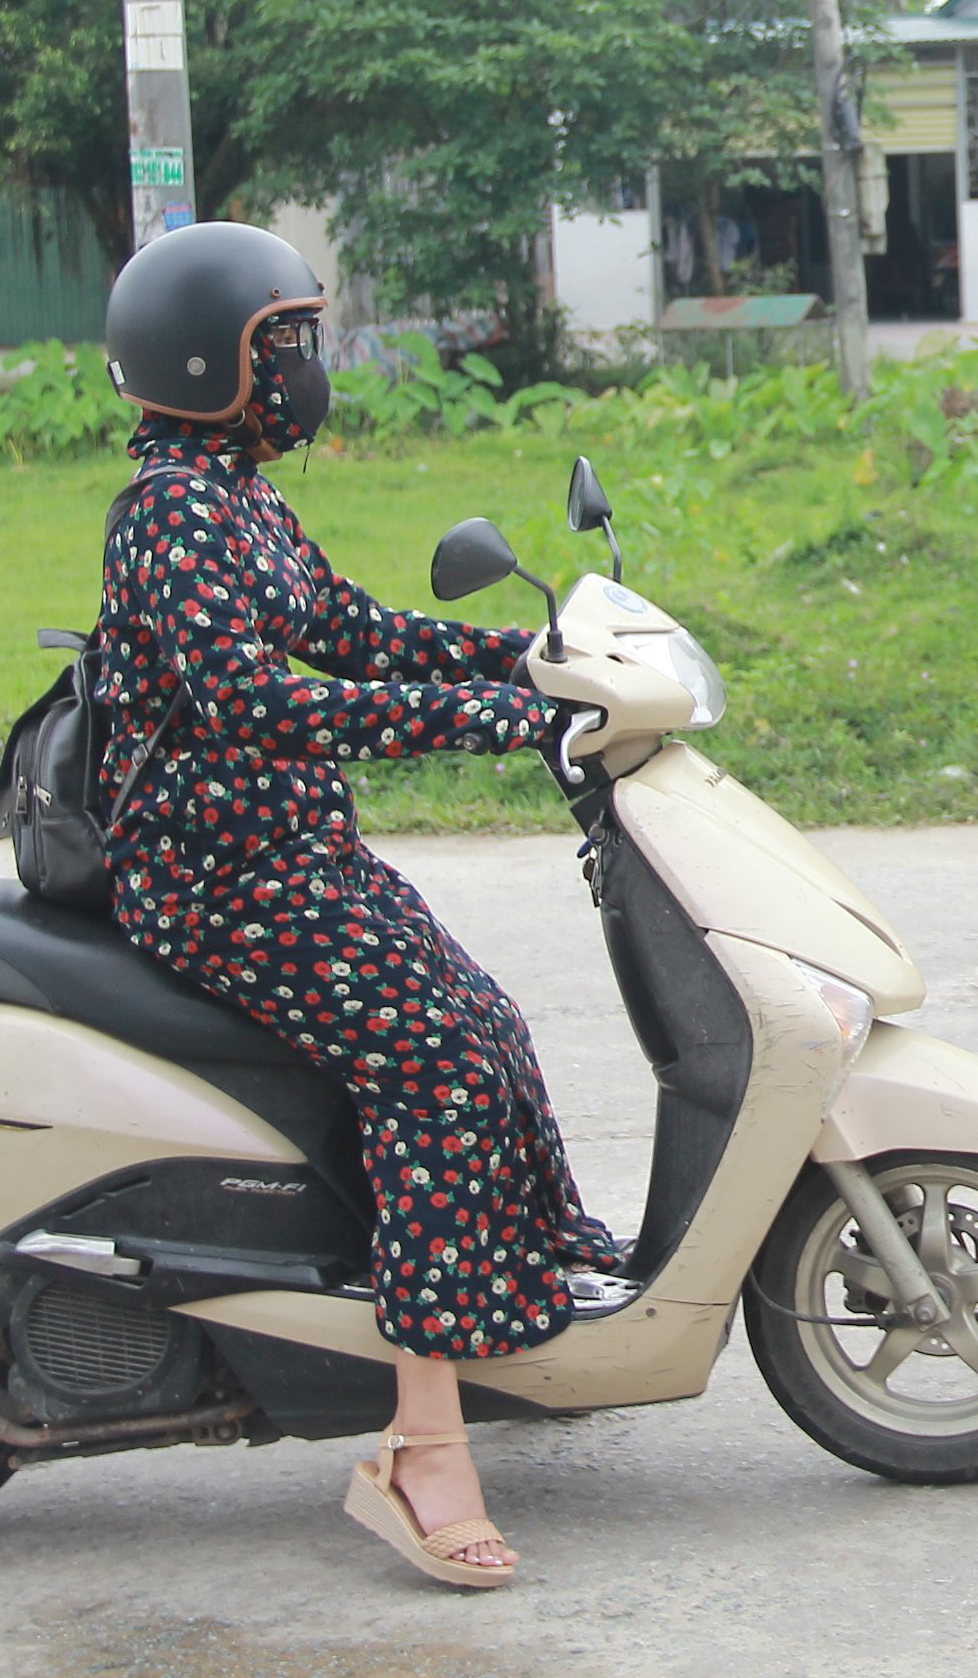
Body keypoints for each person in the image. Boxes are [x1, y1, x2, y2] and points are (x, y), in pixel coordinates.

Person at [92, 221, 621, 1590]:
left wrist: (544, 650)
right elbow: (261, 701)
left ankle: (529, 1288)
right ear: (213, 362)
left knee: (488, 1022)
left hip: (291, 859)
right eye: (288, 344)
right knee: (437, 1067)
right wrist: (489, 718)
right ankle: (420, 1446)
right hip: (220, 879)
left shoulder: (240, 498)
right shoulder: (167, 515)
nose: (308, 371)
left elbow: (348, 630)